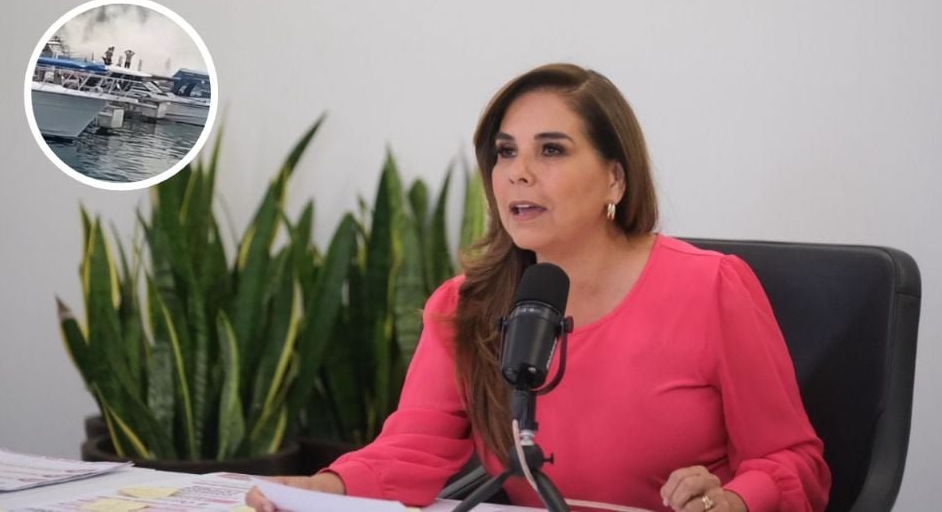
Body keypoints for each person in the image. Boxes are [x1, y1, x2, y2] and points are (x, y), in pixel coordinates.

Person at [247, 63, 831, 512]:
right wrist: (319, 489)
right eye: (505, 152)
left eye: (551, 149)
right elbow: (414, 450)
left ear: (615, 178)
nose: (519, 171)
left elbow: (793, 462)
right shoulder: (465, 305)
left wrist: (732, 498)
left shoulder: (712, 288)